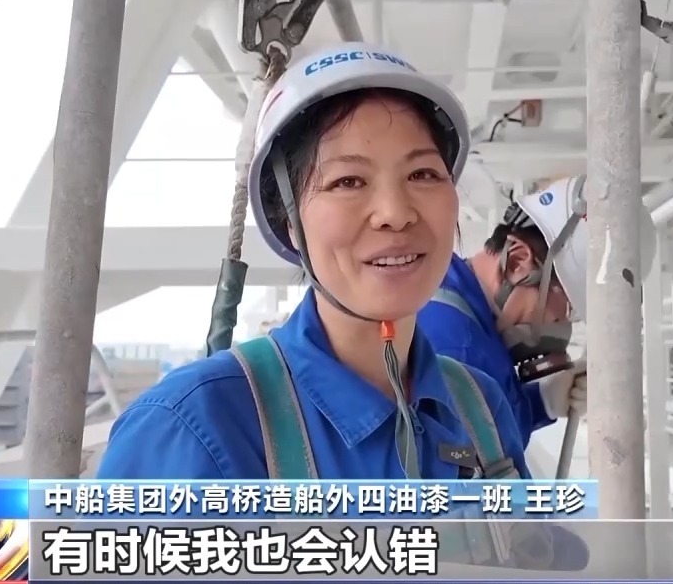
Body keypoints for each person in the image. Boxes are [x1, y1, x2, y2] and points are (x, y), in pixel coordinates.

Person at [98, 43, 530, 481]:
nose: (395, 213)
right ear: (289, 221)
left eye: (423, 174)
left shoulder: (480, 409)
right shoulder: (187, 429)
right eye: (348, 181)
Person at [418, 175, 656, 449]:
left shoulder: (449, 293)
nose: (562, 323)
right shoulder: (461, 351)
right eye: (568, 305)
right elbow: (490, 461)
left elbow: (489, 420)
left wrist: (543, 401)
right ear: (518, 262)